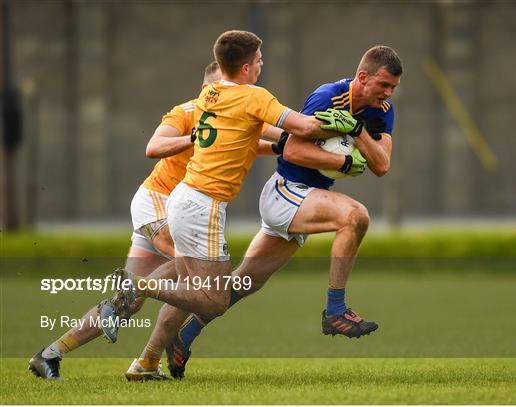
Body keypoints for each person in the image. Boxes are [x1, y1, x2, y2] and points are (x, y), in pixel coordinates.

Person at [120, 44, 402, 381]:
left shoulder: (381, 110)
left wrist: (357, 133)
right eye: (383, 85)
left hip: (310, 196)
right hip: (286, 192)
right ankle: (335, 309)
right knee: (355, 217)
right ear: (362, 77)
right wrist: (342, 159)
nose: (388, 94)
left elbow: (381, 165)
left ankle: (180, 341)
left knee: (239, 285)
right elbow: (293, 149)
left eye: (393, 88)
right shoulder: (327, 96)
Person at [27, 61, 282, 380]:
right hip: (156, 203)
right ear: (206, 90)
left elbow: (252, 142)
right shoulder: (187, 112)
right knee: (194, 278)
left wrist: (281, 147)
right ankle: (144, 349)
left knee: (133, 303)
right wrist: (197, 137)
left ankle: (51, 354)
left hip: (177, 211)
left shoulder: (232, 118)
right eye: (222, 88)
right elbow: (154, 147)